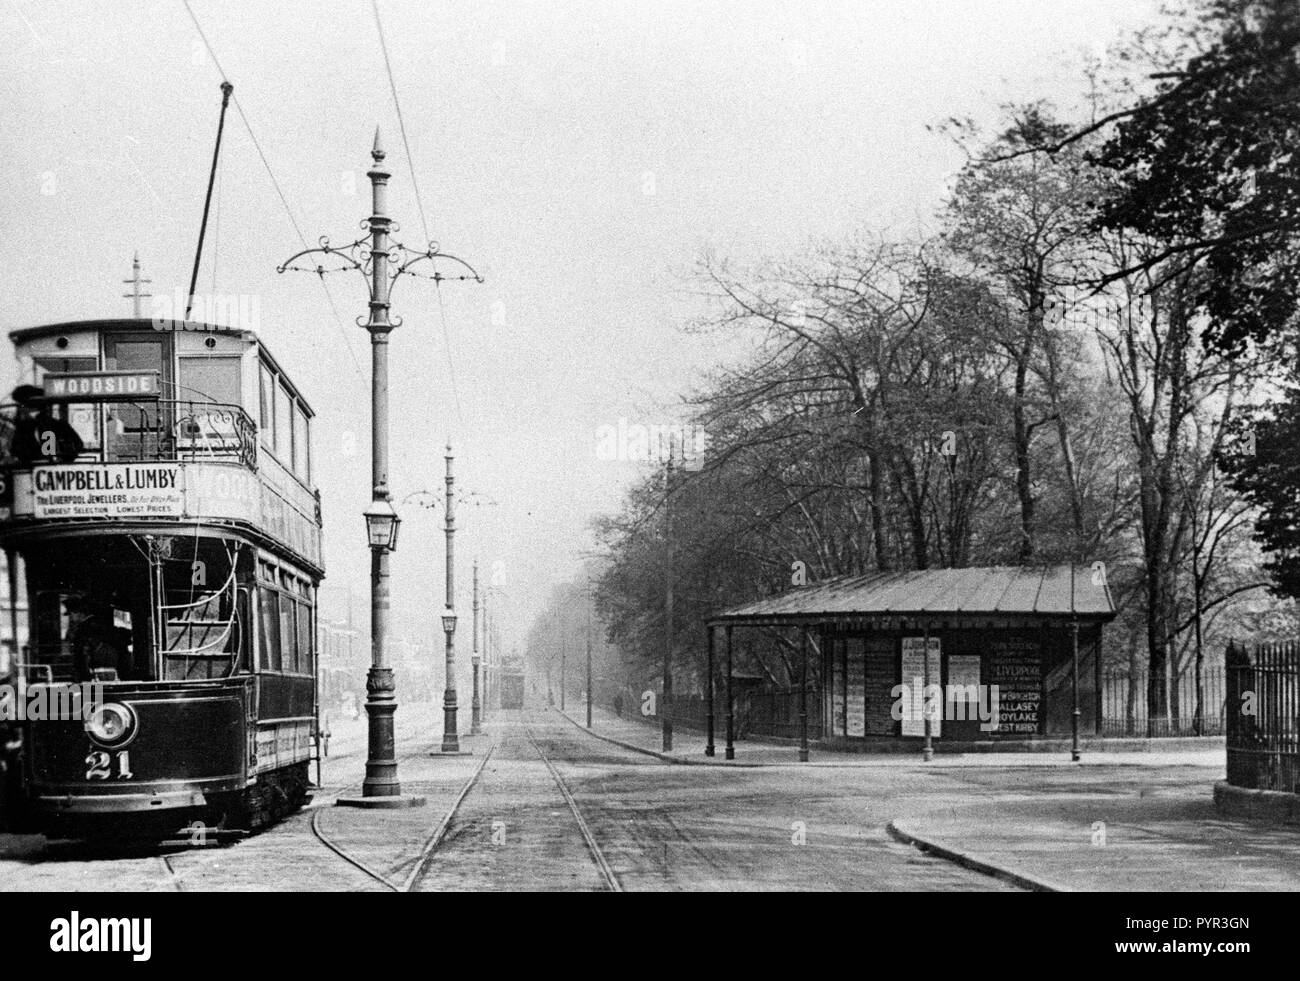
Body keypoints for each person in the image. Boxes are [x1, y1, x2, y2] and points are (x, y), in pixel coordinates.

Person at [9, 385, 82, 464]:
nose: (20, 409)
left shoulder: (23, 428)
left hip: (34, 470)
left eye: (21, 405)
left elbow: (16, 451)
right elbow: (78, 445)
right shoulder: (59, 425)